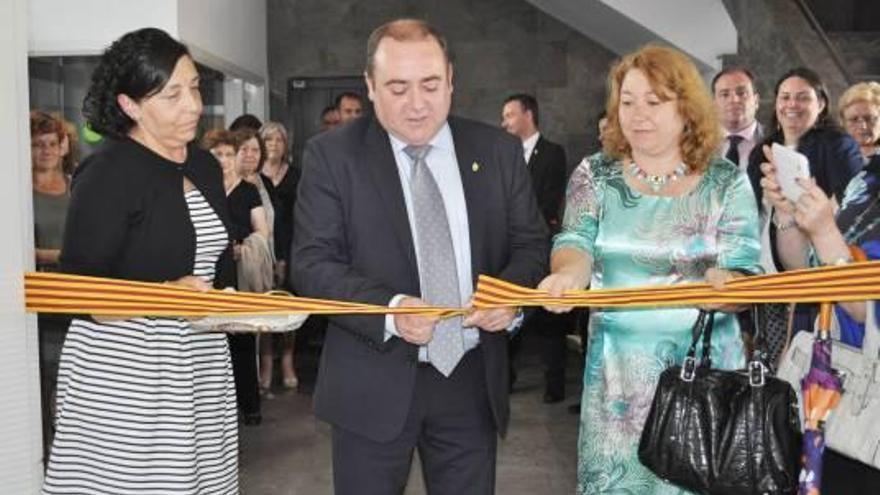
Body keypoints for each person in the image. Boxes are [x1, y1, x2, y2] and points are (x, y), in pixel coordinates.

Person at [291, 18, 547, 495]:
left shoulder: (497, 151)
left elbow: (531, 244)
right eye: (397, 87)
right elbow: (312, 264)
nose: (416, 104)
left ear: (451, 79)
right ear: (369, 86)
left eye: (430, 85)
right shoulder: (332, 156)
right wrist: (391, 309)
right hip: (371, 381)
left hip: (470, 381)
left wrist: (510, 298)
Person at [538, 44, 762, 494]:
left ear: (686, 107)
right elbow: (575, 241)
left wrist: (729, 285)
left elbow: (744, 271)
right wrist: (567, 274)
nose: (638, 114)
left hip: (706, 380)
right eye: (627, 102)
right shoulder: (595, 175)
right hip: (616, 385)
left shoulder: (725, 181)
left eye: (654, 102)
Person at [42, 28, 238, 494]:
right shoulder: (108, 173)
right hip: (128, 373)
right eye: (172, 95)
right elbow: (78, 294)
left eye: (194, 87)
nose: (193, 105)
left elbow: (213, 266)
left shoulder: (204, 166)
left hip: (199, 360)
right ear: (131, 106)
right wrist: (168, 297)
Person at [761, 150, 880, 494]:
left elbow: (865, 307)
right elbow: (807, 269)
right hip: (835, 392)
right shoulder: (865, 180)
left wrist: (825, 231)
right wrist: (790, 213)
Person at [746, 67, 864, 334]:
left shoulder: (837, 144)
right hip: (768, 275)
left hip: (822, 275)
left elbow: (853, 203)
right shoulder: (762, 151)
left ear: (821, 104)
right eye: (785, 97)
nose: (792, 105)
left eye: (802, 97)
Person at [501, 93, 570, 402]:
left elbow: (548, 200)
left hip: (542, 245)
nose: (504, 123)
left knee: (549, 320)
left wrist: (526, 231)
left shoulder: (553, 153)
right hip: (508, 248)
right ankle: (505, 378)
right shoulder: (503, 154)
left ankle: (554, 384)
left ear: (528, 115)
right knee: (507, 313)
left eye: (509, 115)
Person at [30, 110, 72, 460]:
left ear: (63, 146)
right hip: (39, 304)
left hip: (77, 302)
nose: (44, 151)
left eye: (50, 144)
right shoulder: (19, 194)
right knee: (41, 388)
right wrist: (59, 254)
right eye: (36, 145)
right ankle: (43, 460)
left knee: (75, 387)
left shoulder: (77, 188)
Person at [258, 121, 301, 391]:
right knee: (263, 308)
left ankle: (287, 361)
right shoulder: (253, 175)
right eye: (269, 140)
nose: (274, 145)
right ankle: (265, 365)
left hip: (291, 246)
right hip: (264, 249)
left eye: (279, 140)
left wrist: (287, 256)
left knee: (288, 308)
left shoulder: (296, 175)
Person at [712, 66, 763, 172]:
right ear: (714, 104)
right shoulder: (698, 145)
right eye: (725, 94)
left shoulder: (777, 142)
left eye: (741, 93)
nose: (734, 100)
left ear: (756, 101)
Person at [838, 81, 880, 164]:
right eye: (854, 119)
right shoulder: (831, 158)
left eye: (869, 118)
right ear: (843, 122)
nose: (863, 126)